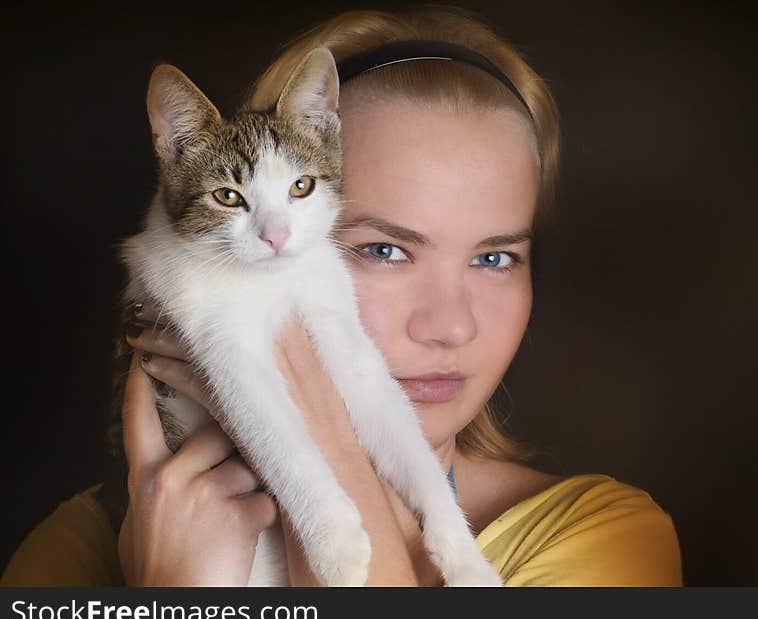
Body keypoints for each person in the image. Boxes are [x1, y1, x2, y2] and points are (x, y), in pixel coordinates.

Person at [1, 6, 682, 587]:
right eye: (383, 250)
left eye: (496, 257)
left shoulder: (605, 542)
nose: (450, 326)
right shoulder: (79, 552)